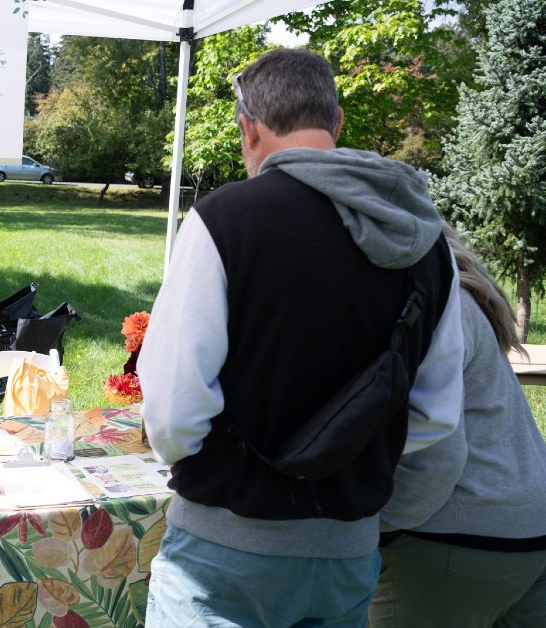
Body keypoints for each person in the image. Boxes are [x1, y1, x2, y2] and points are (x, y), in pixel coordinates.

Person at [136, 48, 465, 626]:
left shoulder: (225, 219)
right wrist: (344, 459)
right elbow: (437, 413)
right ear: (336, 123)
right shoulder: (426, 239)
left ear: (249, 127)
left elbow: (172, 409)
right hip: (347, 549)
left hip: (225, 549)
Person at [370, 228, 546, 627]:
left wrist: (373, 527)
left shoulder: (427, 303)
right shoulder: (465, 294)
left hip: (456, 537)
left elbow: (437, 449)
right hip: (531, 526)